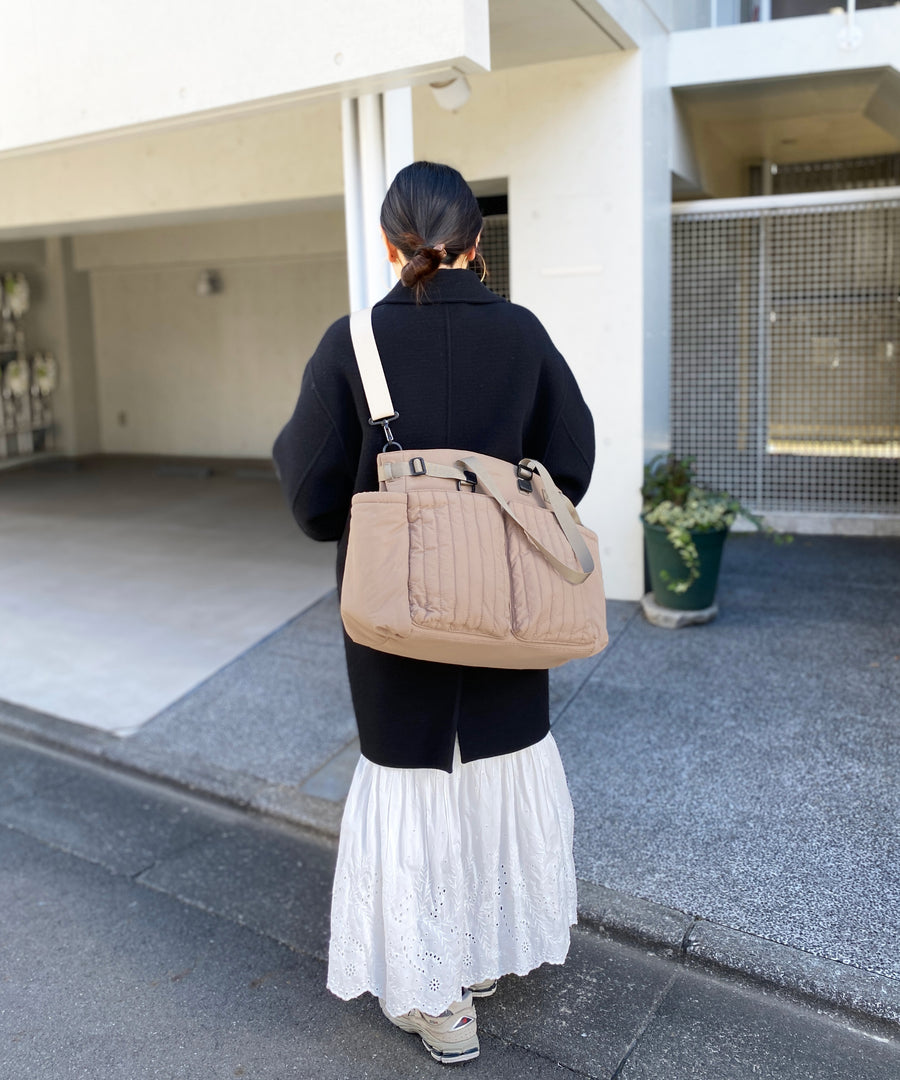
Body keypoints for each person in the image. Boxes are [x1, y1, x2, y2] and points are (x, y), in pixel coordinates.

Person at [272, 161, 595, 1065]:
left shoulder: (355, 342)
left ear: (391, 242)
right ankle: (485, 954)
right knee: (497, 759)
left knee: (413, 776)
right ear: (476, 241)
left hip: (394, 609)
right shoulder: (524, 334)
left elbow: (308, 496)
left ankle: (440, 1002)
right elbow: (572, 459)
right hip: (506, 599)